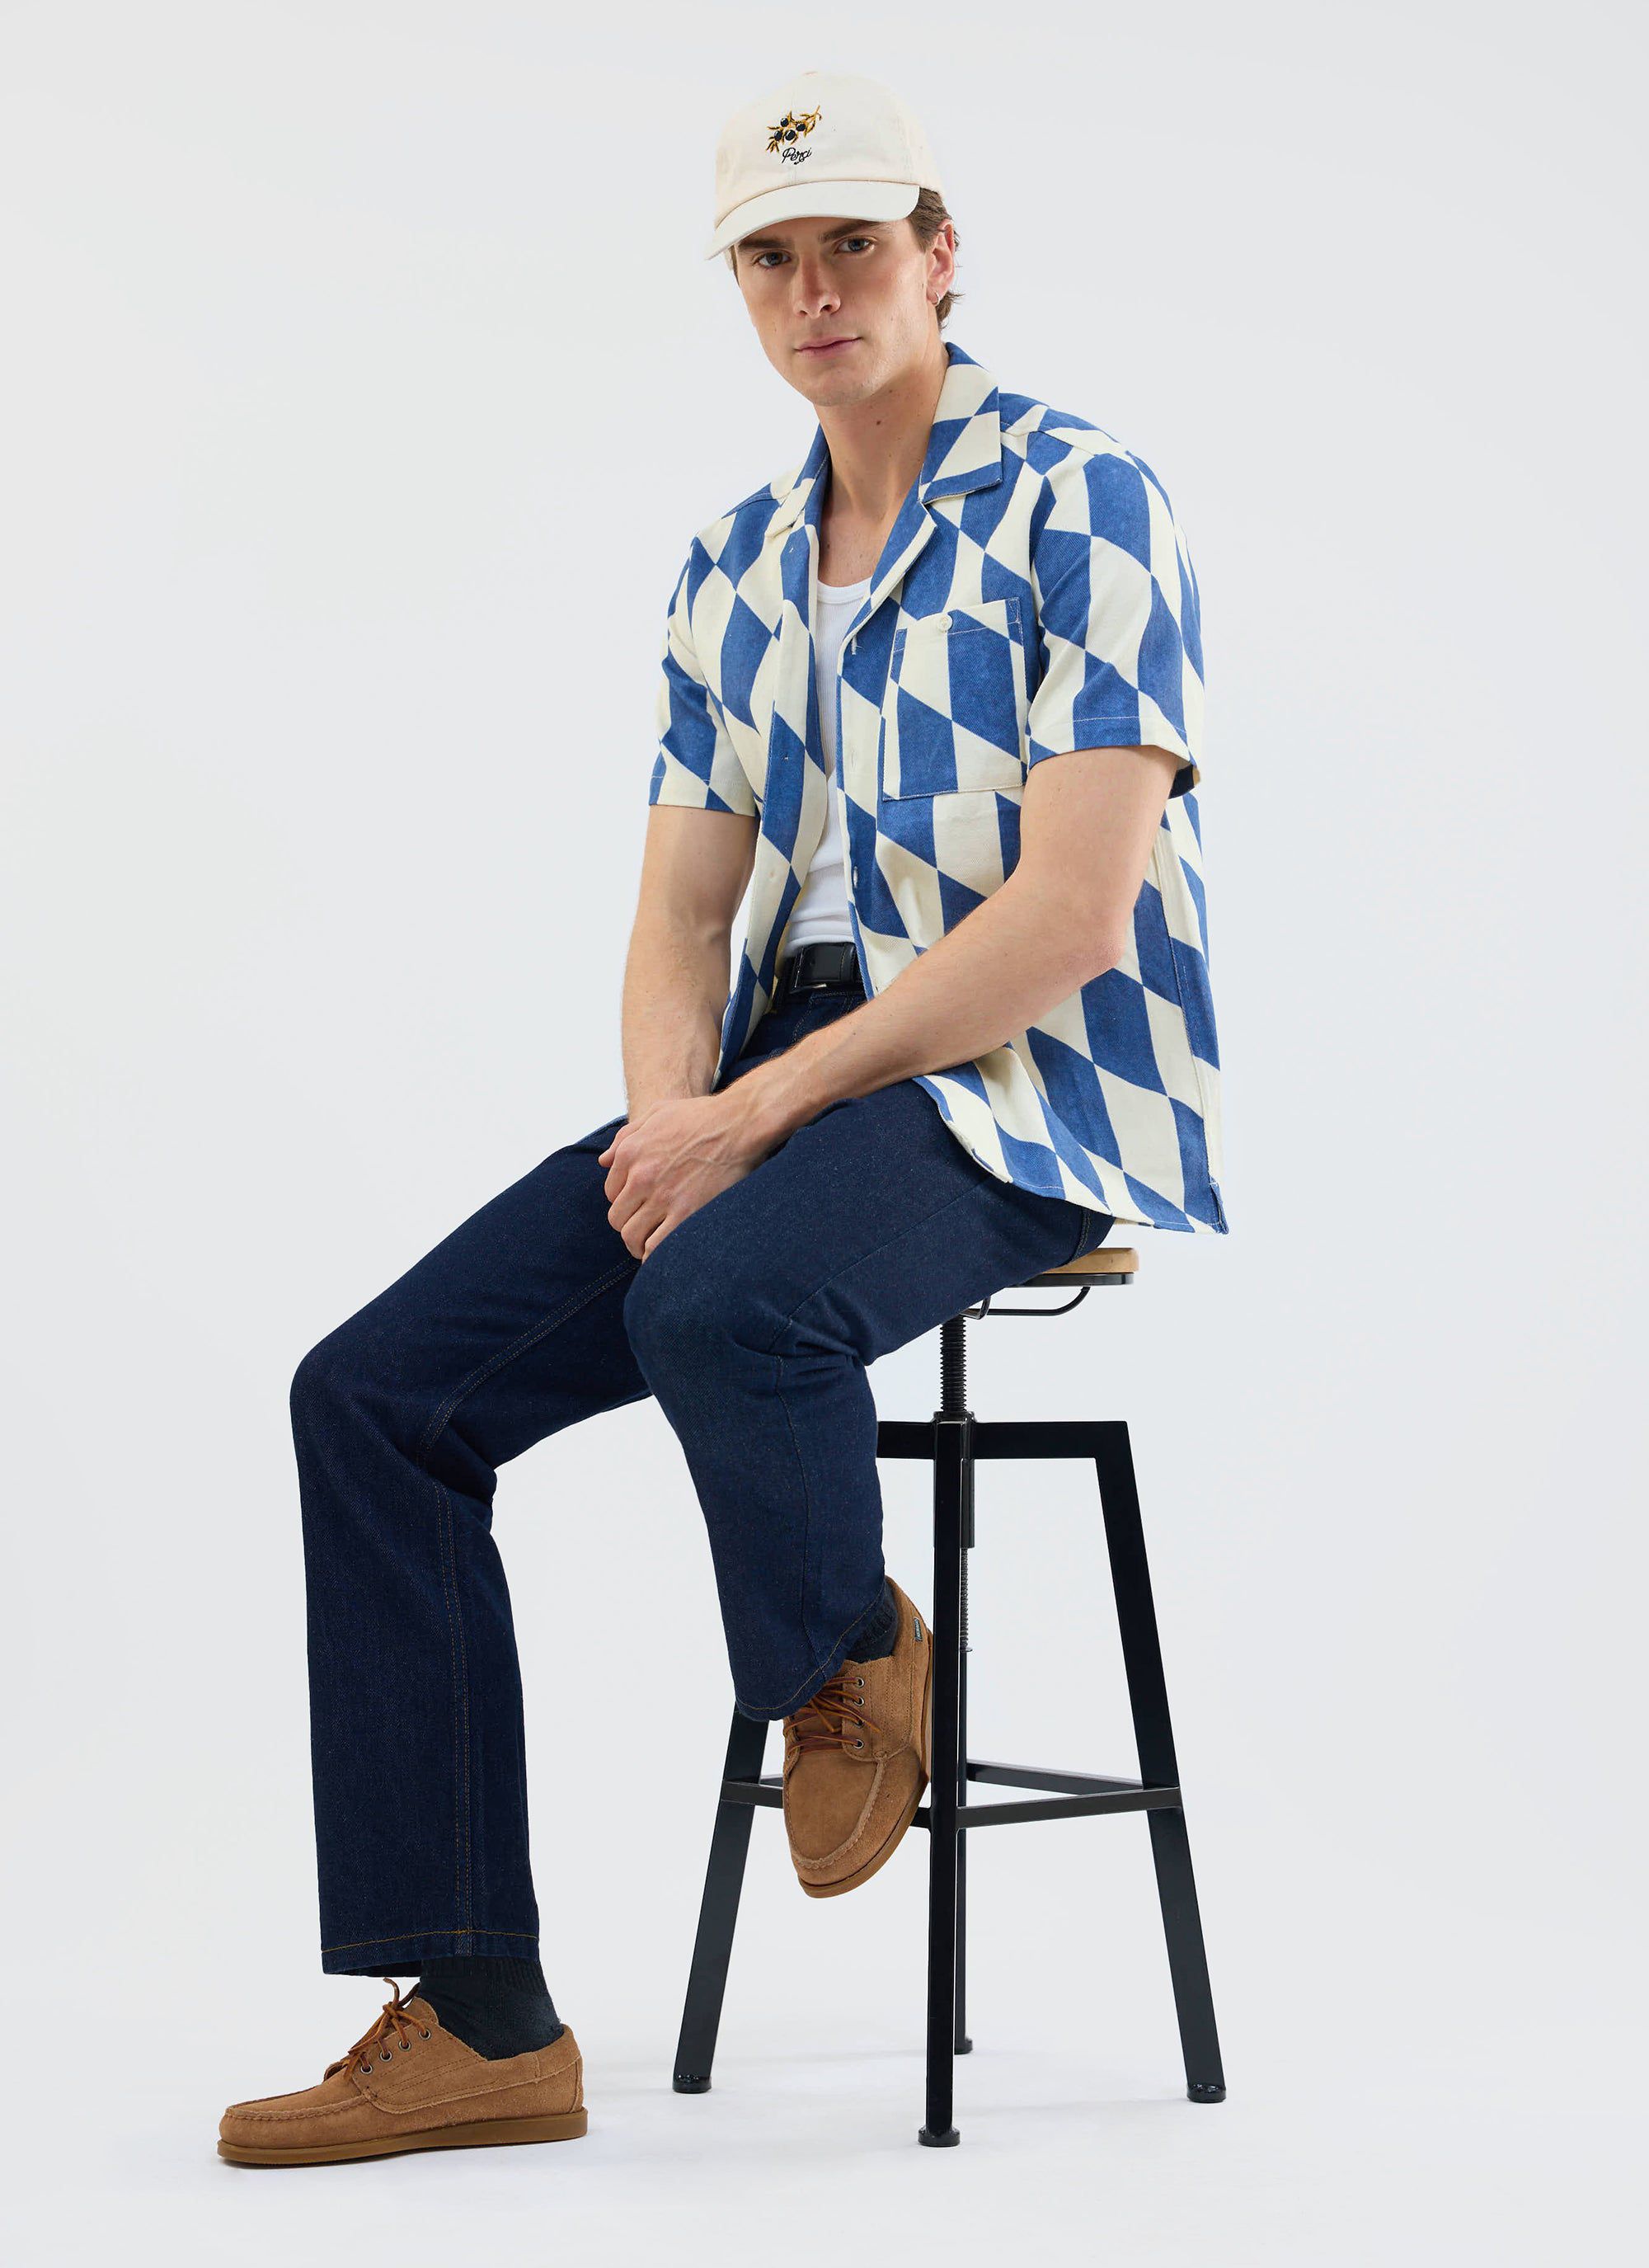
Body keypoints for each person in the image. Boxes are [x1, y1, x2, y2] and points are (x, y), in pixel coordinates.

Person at [217, 63, 1226, 2167]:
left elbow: (1070, 917)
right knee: (372, 1397)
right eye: (770, 257)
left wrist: (755, 1117)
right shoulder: (738, 559)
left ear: (939, 256)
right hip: (787, 1069)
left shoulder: (1079, 496)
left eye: (854, 243)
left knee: (725, 1316)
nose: (813, 287)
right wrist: (673, 1126)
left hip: (1030, 1085)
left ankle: (846, 1642)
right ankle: (482, 2011)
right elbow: (682, 906)